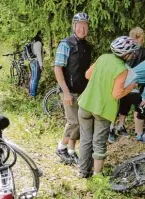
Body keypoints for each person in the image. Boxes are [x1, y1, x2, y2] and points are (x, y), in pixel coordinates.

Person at [77, 36, 140, 178]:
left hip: (86, 104)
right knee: (99, 143)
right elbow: (117, 94)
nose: (133, 55)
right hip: (103, 109)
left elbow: (87, 75)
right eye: (132, 53)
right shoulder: (122, 69)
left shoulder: (103, 57)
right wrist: (132, 86)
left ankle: (83, 172)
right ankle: (97, 176)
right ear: (126, 55)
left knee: (86, 139)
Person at [54, 13, 93, 165]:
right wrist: (65, 92)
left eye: (85, 26)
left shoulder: (87, 47)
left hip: (82, 91)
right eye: (80, 26)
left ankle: (71, 151)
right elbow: (58, 69)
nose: (83, 29)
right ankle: (61, 147)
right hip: (68, 91)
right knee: (74, 122)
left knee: (80, 123)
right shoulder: (66, 44)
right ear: (74, 26)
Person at [29, 31, 44, 97]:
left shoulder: (34, 42)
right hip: (36, 62)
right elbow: (38, 55)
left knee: (33, 78)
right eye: (41, 34)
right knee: (35, 78)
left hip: (32, 61)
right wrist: (41, 65)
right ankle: (33, 94)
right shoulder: (38, 43)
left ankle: (32, 92)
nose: (42, 36)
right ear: (38, 35)